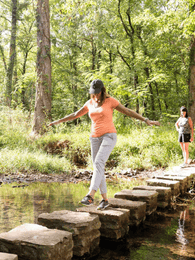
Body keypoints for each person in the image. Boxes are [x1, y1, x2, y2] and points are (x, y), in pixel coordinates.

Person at [48, 79, 160, 210]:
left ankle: (91, 194)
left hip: (109, 136)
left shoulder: (110, 101)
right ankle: (105, 200)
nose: (95, 95)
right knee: (98, 167)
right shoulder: (89, 103)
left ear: (102, 91)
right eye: (93, 93)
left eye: (97, 92)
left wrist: (145, 119)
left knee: (99, 162)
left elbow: (127, 111)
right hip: (94, 138)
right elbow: (75, 115)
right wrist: (58, 121)